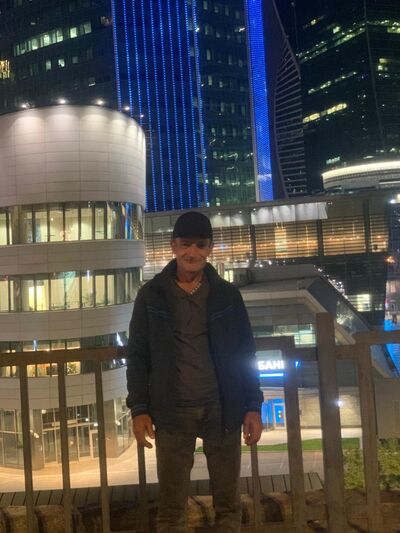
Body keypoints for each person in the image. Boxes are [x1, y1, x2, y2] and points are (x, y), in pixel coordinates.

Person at [126, 211, 263, 532]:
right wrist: (139, 408)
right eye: (186, 244)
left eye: (200, 245)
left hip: (222, 408)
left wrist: (253, 405)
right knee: (171, 510)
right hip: (172, 411)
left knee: (228, 506)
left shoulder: (227, 294)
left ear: (210, 249)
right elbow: (138, 355)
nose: (193, 252)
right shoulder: (151, 295)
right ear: (173, 246)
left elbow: (245, 353)